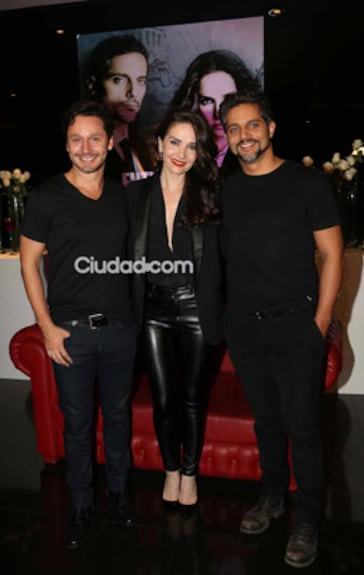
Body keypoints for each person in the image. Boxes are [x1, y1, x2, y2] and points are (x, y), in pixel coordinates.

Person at [218, 91, 343, 569]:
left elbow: (332, 253)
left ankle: (308, 518)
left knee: (302, 424)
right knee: (266, 420)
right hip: (244, 326)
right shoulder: (227, 189)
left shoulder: (305, 181)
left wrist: (320, 321)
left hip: (297, 325)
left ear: (270, 128)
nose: (244, 136)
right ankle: (271, 497)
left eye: (252, 125)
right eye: (234, 128)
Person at [19, 99, 138, 551]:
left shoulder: (124, 197)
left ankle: (120, 495)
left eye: (94, 138)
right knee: (77, 424)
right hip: (71, 333)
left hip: (121, 329)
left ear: (109, 143)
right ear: (66, 145)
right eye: (76, 139)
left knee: (120, 417)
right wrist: (46, 327)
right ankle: (81, 506)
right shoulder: (46, 197)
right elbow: (29, 264)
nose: (85, 148)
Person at [125, 110, 223, 515]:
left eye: (192, 145)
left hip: (197, 307)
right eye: (175, 142)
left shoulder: (211, 195)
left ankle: (190, 473)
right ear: (160, 145)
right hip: (152, 308)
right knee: (164, 399)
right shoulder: (134, 196)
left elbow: (233, 254)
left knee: (192, 397)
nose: (182, 152)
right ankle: (170, 470)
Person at [168, 49, 261, 169]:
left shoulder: (258, 150)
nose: (218, 112)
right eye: (207, 101)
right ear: (194, 104)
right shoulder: (179, 149)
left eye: (228, 99)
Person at [86, 34, 156, 187]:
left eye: (141, 81)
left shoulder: (143, 145)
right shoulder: (86, 149)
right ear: (93, 85)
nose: (133, 92)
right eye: (119, 80)